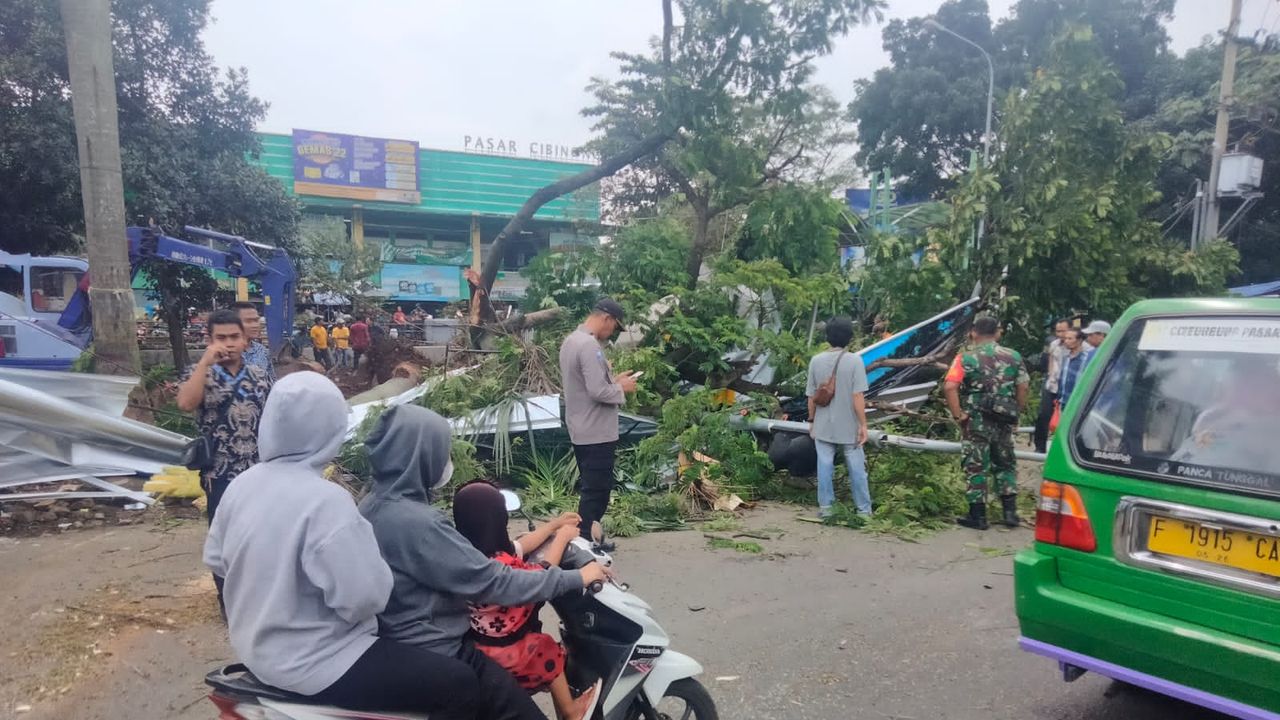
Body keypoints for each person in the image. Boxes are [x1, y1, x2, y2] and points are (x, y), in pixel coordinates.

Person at [204, 373, 484, 717]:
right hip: (321, 661)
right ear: (332, 428)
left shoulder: (241, 486)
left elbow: (217, 560)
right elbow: (365, 599)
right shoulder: (326, 501)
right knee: (459, 682)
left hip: (255, 651)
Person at [358, 404, 608, 720]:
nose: (444, 461)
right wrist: (577, 578)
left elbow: (489, 558)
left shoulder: (372, 504)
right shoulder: (416, 523)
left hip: (398, 642)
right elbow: (494, 581)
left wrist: (550, 529)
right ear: (421, 454)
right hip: (440, 648)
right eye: (442, 451)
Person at [453, 483, 601, 720]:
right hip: (509, 651)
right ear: (499, 519)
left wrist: (552, 525)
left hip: (480, 647)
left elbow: (520, 546)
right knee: (548, 649)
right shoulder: (503, 566)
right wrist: (562, 538)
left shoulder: (468, 556)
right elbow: (540, 577)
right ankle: (571, 712)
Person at [176, 310, 272, 606]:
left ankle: (257, 596)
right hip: (219, 474)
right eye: (221, 338)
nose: (228, 343)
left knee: (259, 536)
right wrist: (206, 362)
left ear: (245, 341)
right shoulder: (200, 373)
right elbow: (185, 403)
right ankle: (228, 601)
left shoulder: (260, 375)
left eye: (234, 337)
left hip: (257, 472)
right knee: (224, 538)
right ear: (209, 340)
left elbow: (272, 418)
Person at [559, 298, 639, 541]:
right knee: (596, 491)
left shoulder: (571, 341)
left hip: (581, 427)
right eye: (614, 326)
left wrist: (614, 381)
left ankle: (586, 538)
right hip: (596, 431)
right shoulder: (588, 345)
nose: (612, 332)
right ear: (607, 318)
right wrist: (621, 388)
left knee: (592, 488)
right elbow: (597, 392)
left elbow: (587, 387)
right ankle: (584, 541)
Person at [943, 315, 1029, 530]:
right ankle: (1010, 513)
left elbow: (950, 387)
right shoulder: (1014, 356)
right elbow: (1023, 388)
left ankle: (978, 517)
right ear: (998, 333)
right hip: (1004, 419)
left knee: (975, 465)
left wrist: (958, 415)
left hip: (976, 419)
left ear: (973, 332)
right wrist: (1016, 412)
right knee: (1005, 463)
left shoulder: (965, 358)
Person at [805, 317, 872, 518]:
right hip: (849, 425)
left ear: (828, 337)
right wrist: (863, 425)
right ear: (850, 338)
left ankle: (826, 509)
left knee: (824, 464)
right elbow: (857, 396)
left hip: (823, 423)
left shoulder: (816, 361)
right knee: (856, 467)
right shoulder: (855, 361)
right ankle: (863, 511)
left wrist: (811, 421)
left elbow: (811, 396)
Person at [1033, 319, 1072, 454]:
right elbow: (1050, 361)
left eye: (1063, 331)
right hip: (1052, 385)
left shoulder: (1077, 345)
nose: (1060, 334)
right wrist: (1050, 377)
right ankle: (1039, 447)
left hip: (1069, 386)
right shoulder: (1053, 344)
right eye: (1058, 331)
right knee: (1044, 415)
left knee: (1066, 417)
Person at [233, 301, 275, 381]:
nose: (255, 325)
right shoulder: (226, 352)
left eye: (256, 320)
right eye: (248, 321)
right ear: (234, 323)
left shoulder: (262, 350)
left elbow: (272, 381)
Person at [1057, 328, 1094, 406]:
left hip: (1077, 404)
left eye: (1070, 339)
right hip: (1062, 402)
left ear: (1079, 340)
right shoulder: (1065, 358)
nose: (1066, 341)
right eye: (1065, 338)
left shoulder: (1087, 359)